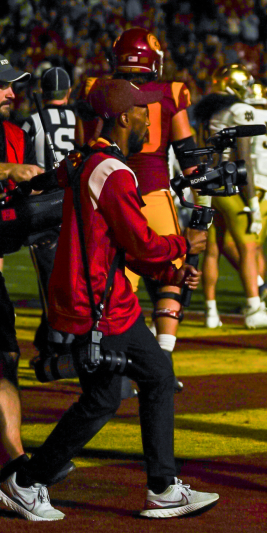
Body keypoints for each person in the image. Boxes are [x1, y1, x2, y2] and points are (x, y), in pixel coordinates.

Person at [0, 78, 218, 522]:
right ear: (123, 118)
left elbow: (96, 224)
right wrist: (184, 245)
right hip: (101, 303)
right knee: (109, 396)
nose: (147, 119)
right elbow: (141, 245)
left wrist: (170, 266)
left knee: (143, 380)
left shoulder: (85, 159)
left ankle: (159, 486)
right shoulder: (113, 172)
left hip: (98, 297)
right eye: (141, 112)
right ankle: (28, 483)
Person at [79, 28, 203, 390]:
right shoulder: (170, 93)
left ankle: (114, 364)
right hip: (153, 193)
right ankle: (162, 356)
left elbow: (85, 143)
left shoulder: (97, 89)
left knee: (118, 280)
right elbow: (188, 154)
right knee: (170, 273)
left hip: (110, 186)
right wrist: (201, 182)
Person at [204, 67, 267, 328]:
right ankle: (255, 305)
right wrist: (253, 201)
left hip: (211, 182)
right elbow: (243, 156)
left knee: (212, 249)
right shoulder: (243, 111)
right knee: (248, 247)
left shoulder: (214, 111)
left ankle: (211, 312)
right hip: (239, 185)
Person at [0, 57, 44, 493]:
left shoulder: (13, 134)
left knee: (6, 359)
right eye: (4, 87)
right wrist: (6, 170)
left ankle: (14, 464)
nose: (13, 94)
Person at [22, 67, 77, 355]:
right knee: (73, 275)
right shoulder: (78, 118)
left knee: (50, 279)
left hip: (44, 206)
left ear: (43, 93)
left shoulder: (32, 122)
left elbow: (21, 161)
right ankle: (53, 338)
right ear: (68, 92)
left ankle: (55, 344)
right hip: (76, 204)